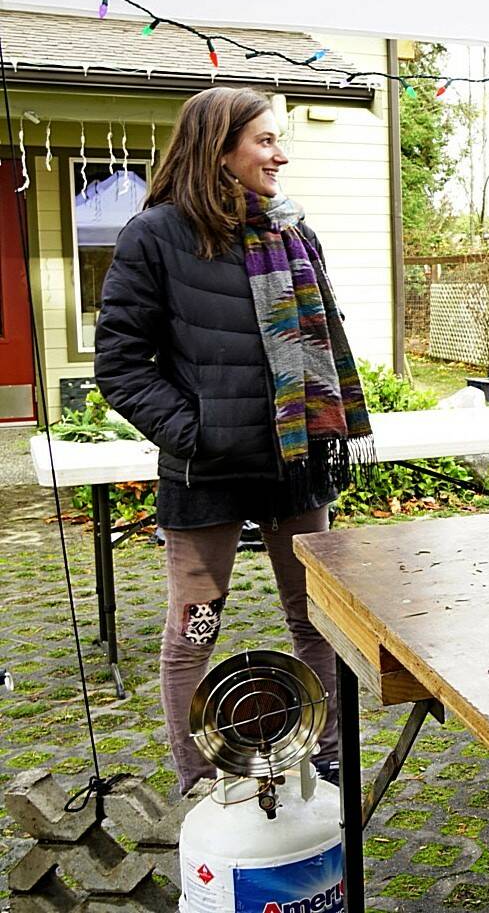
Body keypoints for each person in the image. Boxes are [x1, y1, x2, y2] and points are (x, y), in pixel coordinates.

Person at [94, 87, 372, 792]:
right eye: (265, 141)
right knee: (195, 625)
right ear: (219, 148)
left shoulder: (291, 230)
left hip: (294, 463)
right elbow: (121, 364)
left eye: (280, 140)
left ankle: (331, 753)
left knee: (316, 619)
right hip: (207, 473)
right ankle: (197, 778)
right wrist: (197, 433)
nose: (281, 154)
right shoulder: (155, 235)